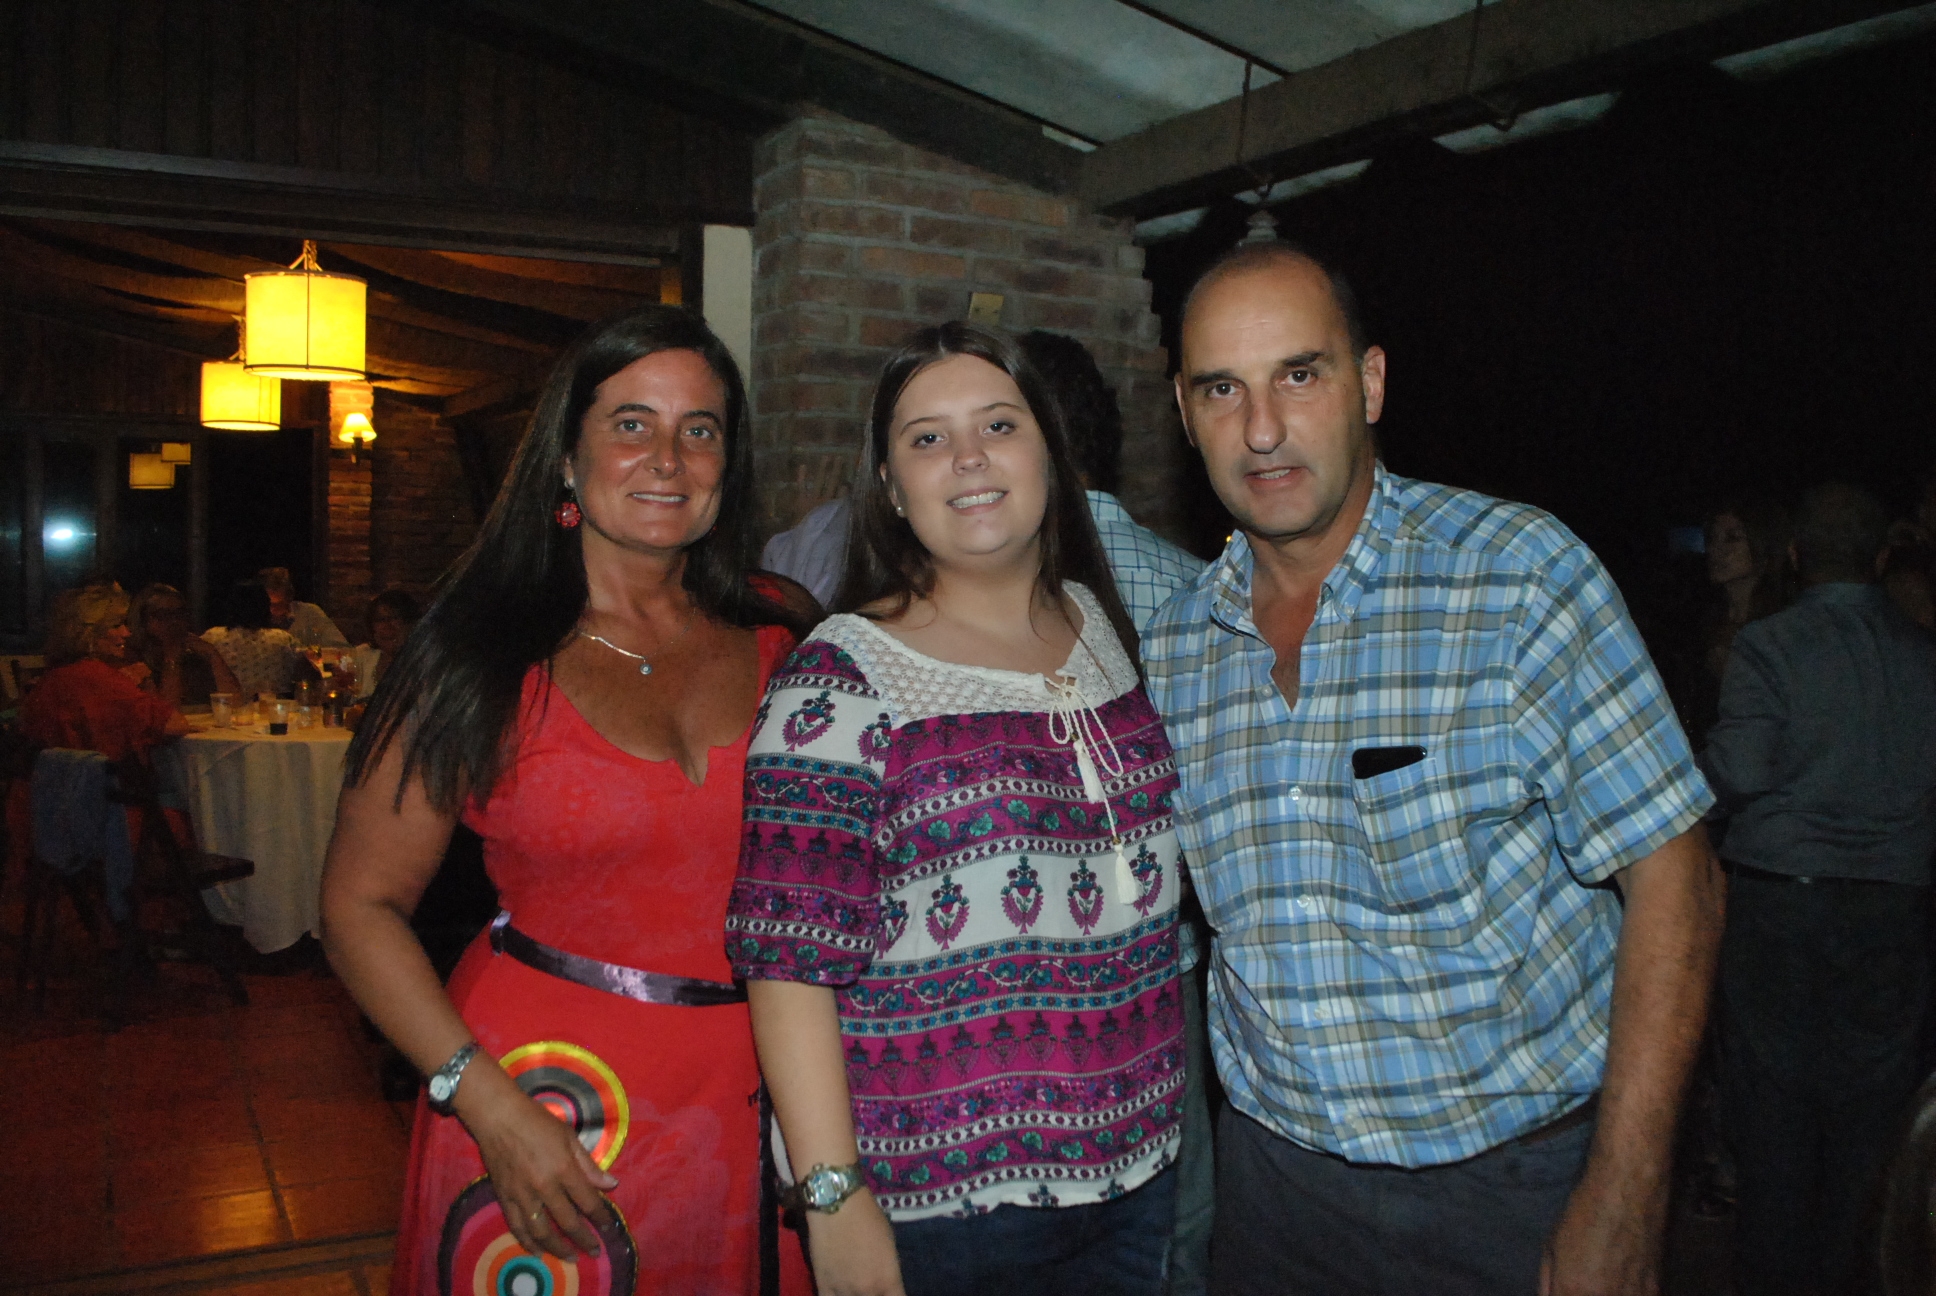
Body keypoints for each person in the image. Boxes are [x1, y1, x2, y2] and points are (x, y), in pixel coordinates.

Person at [1141, 241, 1723, 1294]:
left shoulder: (1515, 576)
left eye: (1298, 375)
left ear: (1367, 383)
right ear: (1183, 413)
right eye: (1222, 388)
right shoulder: (1176, 649)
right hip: (1277, 1198)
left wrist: (1627, 1195)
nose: (1260, 429)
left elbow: (1677, 880)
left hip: (1516, 1189)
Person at [320, 306, 815, 1296]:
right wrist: (486, 1106)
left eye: (700, 429)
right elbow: (355, 907)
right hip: (545, 1103)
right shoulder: (477, 653)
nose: (668, 458)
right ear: (564, 457)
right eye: (631, 423)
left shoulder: (783, 638)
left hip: (755, 1089)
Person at [727, 322, 1186, 1296]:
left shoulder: (1095, 624)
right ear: (891, 488)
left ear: (1048, 456)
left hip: (1139, 1170)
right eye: (926, 438)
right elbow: (786, 962)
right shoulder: (842, 680)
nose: (968, 457)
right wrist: (831, 1195)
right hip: (949, 1203)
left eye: (998, 424)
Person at [1701, 482, 1936, 1296]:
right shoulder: (1923, 654)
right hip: (1896, 912)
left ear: (1795, 557)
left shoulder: (1769, 647)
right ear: (1879, 559)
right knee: (1869, 1128)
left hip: (1783, 910)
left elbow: (1740, 772)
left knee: (1772, 1128)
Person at [1018, 327, 1214, 1294]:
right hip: (1159, 978)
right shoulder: (1198, 589)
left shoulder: (998, 589)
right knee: (1171, 1237)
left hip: (1015, 999)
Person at [21, 582, 190, 762]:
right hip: (95, 786)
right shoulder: (100, 677)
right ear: (89, 633)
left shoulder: (57, 675)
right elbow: (174, 724)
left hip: (49, 785)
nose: (127, 632)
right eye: (116, 625)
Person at [128, 582, 241, 708]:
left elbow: (234, 704)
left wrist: (213, 656)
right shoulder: (133, 661)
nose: (174, 621)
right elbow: (165, 714)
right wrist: (172, 659)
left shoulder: (194, 657)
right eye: (163, 615)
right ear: (143, 621)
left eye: (179, 614)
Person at [202, 581, 303, 699]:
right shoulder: (284, 639)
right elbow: (306, 675)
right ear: (265, 607)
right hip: (272, 710)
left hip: (226, 709)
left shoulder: (211, 638)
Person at [350, 588, 420, 699]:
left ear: (410, 623)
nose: (387, 627)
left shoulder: (425, 660)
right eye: (380, 620)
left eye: (394, 618)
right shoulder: (361, 656)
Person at [259, 566, 348, 648]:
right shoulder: (253, 623)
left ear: (289, 597)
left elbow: (339, 647)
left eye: (278, 604)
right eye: (267, 604)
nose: (271, 609)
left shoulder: (309, 614)